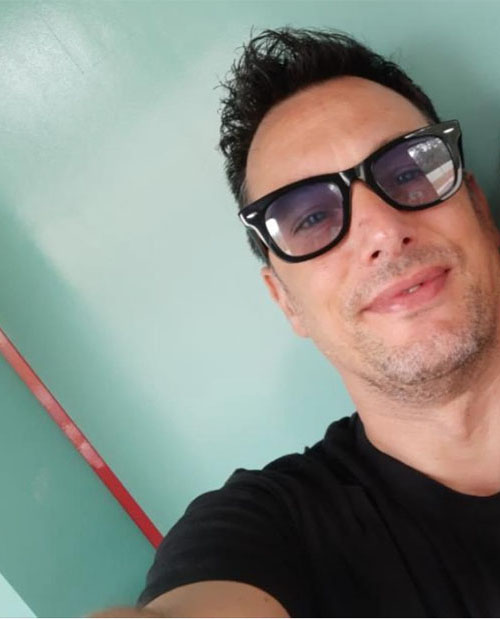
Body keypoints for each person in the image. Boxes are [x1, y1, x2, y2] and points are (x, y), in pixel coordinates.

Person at [101, 27, 500, 617]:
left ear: (479, 209)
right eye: (311, 217)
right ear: (286, 302)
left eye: (408, 171)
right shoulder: (269, 530)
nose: (383, 231)